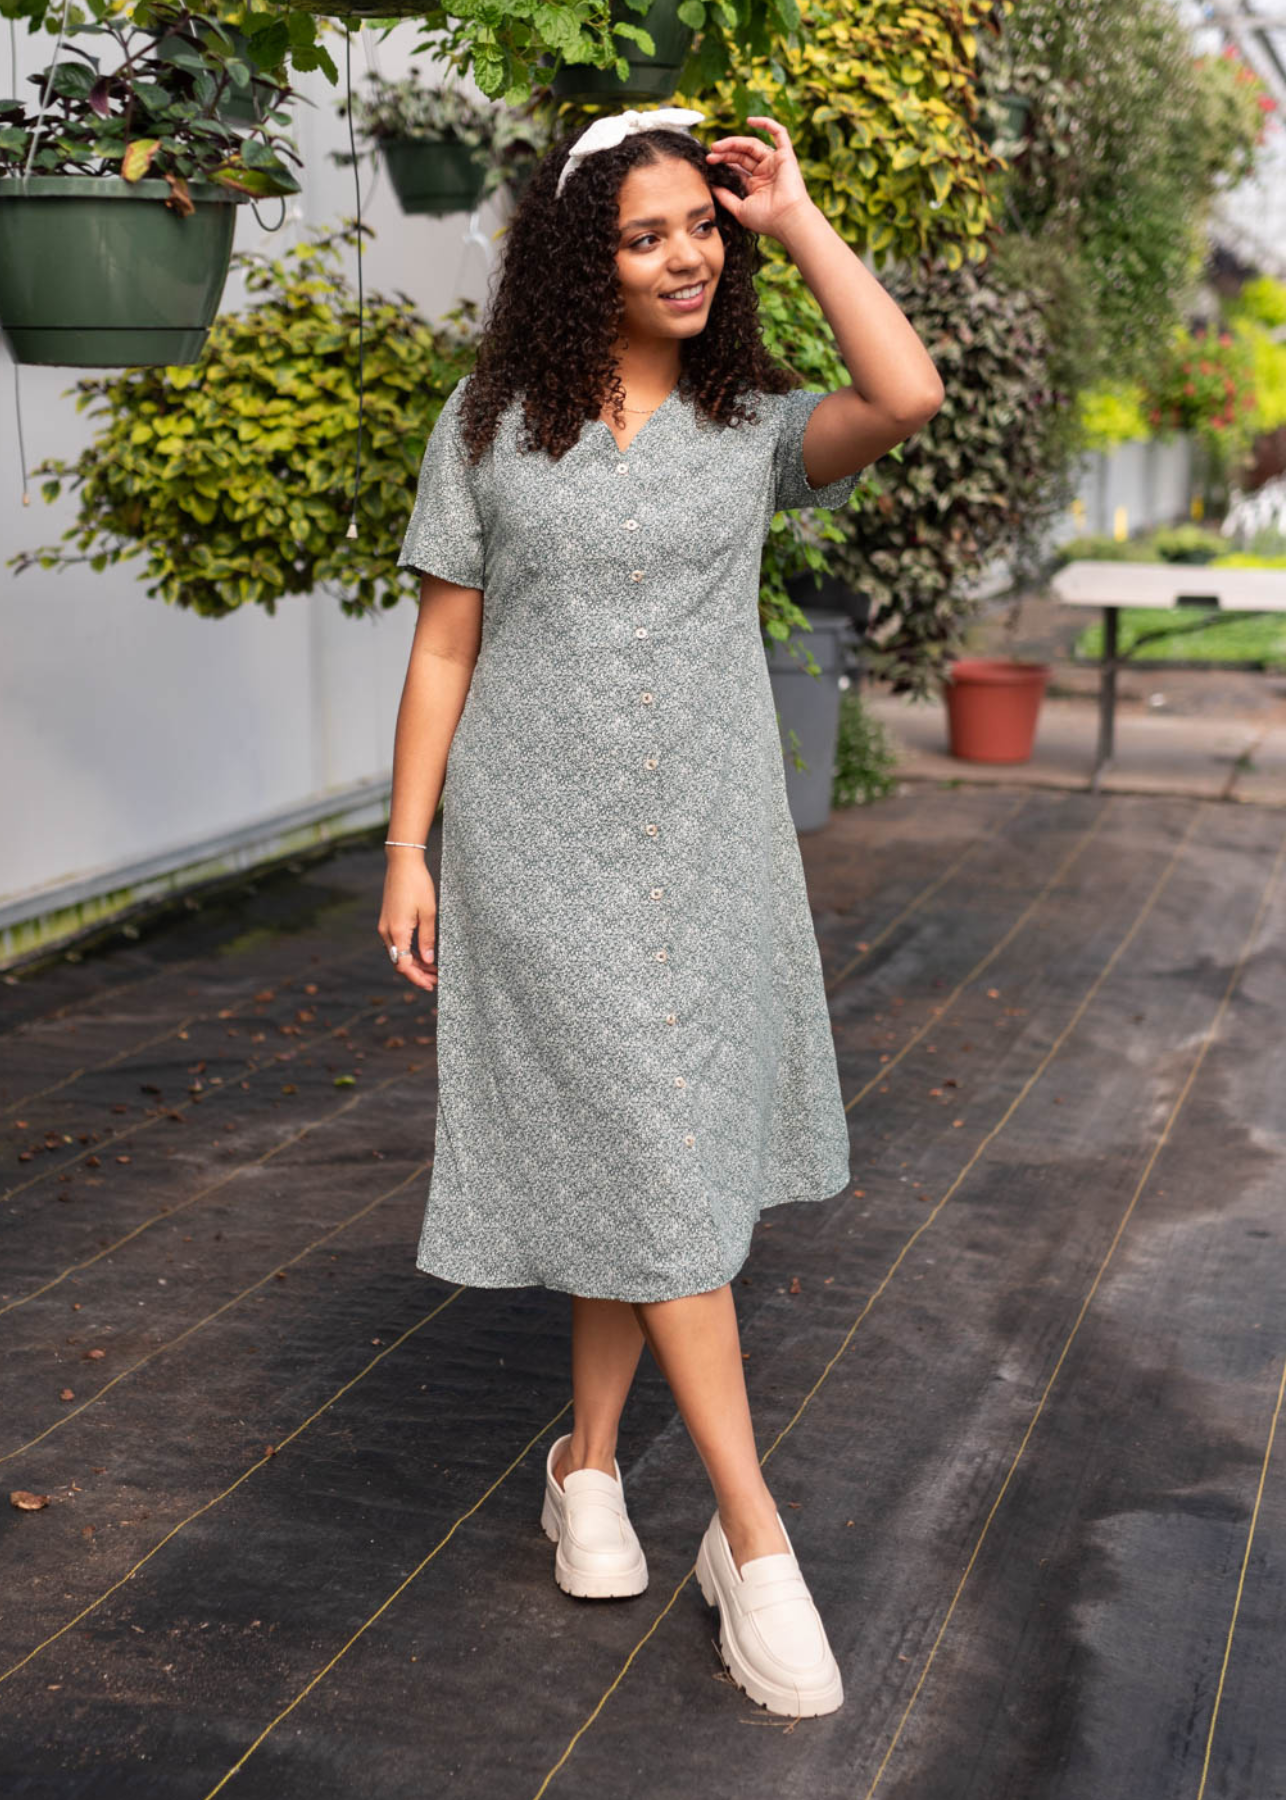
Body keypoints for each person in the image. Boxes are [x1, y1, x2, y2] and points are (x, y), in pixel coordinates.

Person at [378, 104, 943, 1719]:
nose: (686, 252)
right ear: (581, 258)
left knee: (648, 1160)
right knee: (647, 1151)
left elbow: (904, 394)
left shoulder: (752, 424)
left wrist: (803, 220)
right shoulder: (488, 426)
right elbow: (439, 650)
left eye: (700, 223)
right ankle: (754, 1545)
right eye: (646, 233)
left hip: (706, 846)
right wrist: (407, 849)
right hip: (532, 845)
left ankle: (588, 1467)